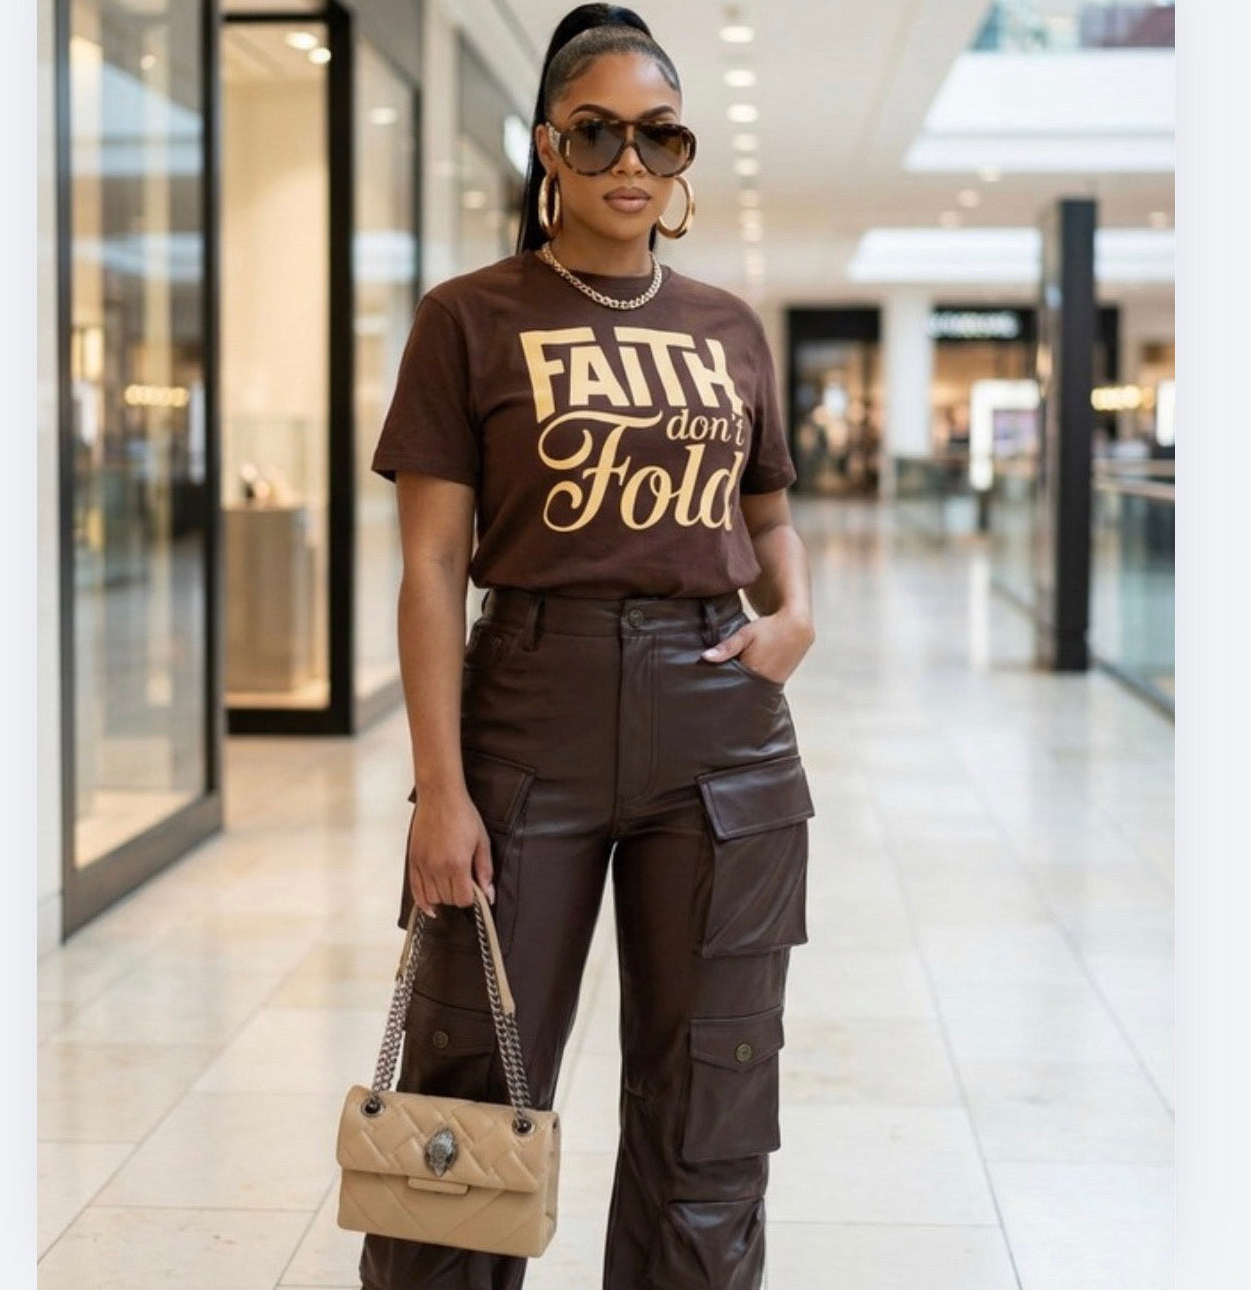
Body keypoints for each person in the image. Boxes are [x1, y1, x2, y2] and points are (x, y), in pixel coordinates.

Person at [361, 6, 816, 1287]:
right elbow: (433, 568)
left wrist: (796, 617)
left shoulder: (729, 327)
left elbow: (770, 512)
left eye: (660, 136)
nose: (632, 158)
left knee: (710, 1094)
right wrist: (439, 791)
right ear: (548, 149)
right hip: (525, 721)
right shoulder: (470, 317)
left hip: (720, 728)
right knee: (467, 1083)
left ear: (680, 162)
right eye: (600, 131)